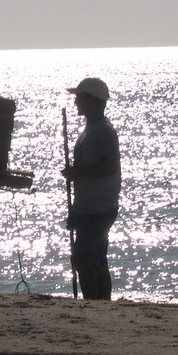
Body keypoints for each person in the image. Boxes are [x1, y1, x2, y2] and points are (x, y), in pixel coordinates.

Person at [61, 77, 121, 300]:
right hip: (88, 207)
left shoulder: (103, 131)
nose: (76, 102)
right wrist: (75, 210)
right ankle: (101, 303)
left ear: (93, 101)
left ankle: (94, 304)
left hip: (99, 208)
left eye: (80, 98)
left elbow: (109, 166)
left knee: (82, 259)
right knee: (95, 258)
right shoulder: (90, 130)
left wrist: (77, 174)